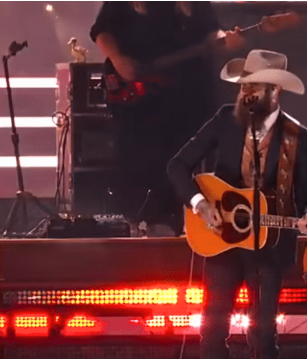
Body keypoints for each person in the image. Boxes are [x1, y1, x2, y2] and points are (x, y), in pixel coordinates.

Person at [167, 49, 307, 359]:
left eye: (254, 86)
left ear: (274, 91)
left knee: (263, 337)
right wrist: (201, 205)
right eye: (244, 86)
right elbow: (177, 166)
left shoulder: (299, 138)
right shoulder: (223, 121)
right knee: (212, 332)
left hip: (268, 249)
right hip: (221, 245)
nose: (246, 92)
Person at [89, 1, 243, 236]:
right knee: (140, 160)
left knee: (184, 159)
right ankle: (138, 223)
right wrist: (119, 59)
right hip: (140, 103)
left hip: (187, 97)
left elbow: (212, 31)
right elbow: (102, 31)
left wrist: (225, 39)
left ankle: (181, 224)